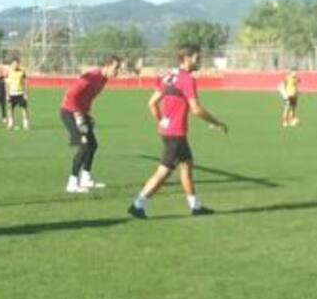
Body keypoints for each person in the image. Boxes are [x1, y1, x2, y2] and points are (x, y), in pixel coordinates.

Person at [128, 44, 227, 218]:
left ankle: (195, 206)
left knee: (186, 165)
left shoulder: (169, 77)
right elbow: (196, 109)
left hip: (169, 131)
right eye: (197, 57)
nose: (200, 60)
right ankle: (138, 204)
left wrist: (162, 121)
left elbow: (152, 103)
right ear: (187, 58)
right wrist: (217, 122)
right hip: (176, 133)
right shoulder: (187, 79)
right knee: (164, 171)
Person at [60, 55, 122, 192]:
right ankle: (72, 183)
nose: (118, 71)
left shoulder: (104, 79)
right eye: (116, 68)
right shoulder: (93, 76)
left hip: (82, 113)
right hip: (70, 112)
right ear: (107, 66)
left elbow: (86, 97)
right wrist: (78, 116)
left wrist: (87, 115)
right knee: (84, 146)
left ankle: (85, 179)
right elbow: (71, 94)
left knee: (92, 145)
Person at [6, 57, 30, 130]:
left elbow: (25, 83)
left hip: (20, 93)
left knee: (24, 109)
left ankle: (25, 124)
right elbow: (7, 84)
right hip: (11, 93)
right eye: (13, 64)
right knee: (10, 109)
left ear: (18, 64)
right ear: (11, 64)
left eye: (16, 64)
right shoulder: (9, 72)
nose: (15, 65)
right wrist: (7, 94)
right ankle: (10, 124)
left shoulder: (22, 72)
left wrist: (25, 93)